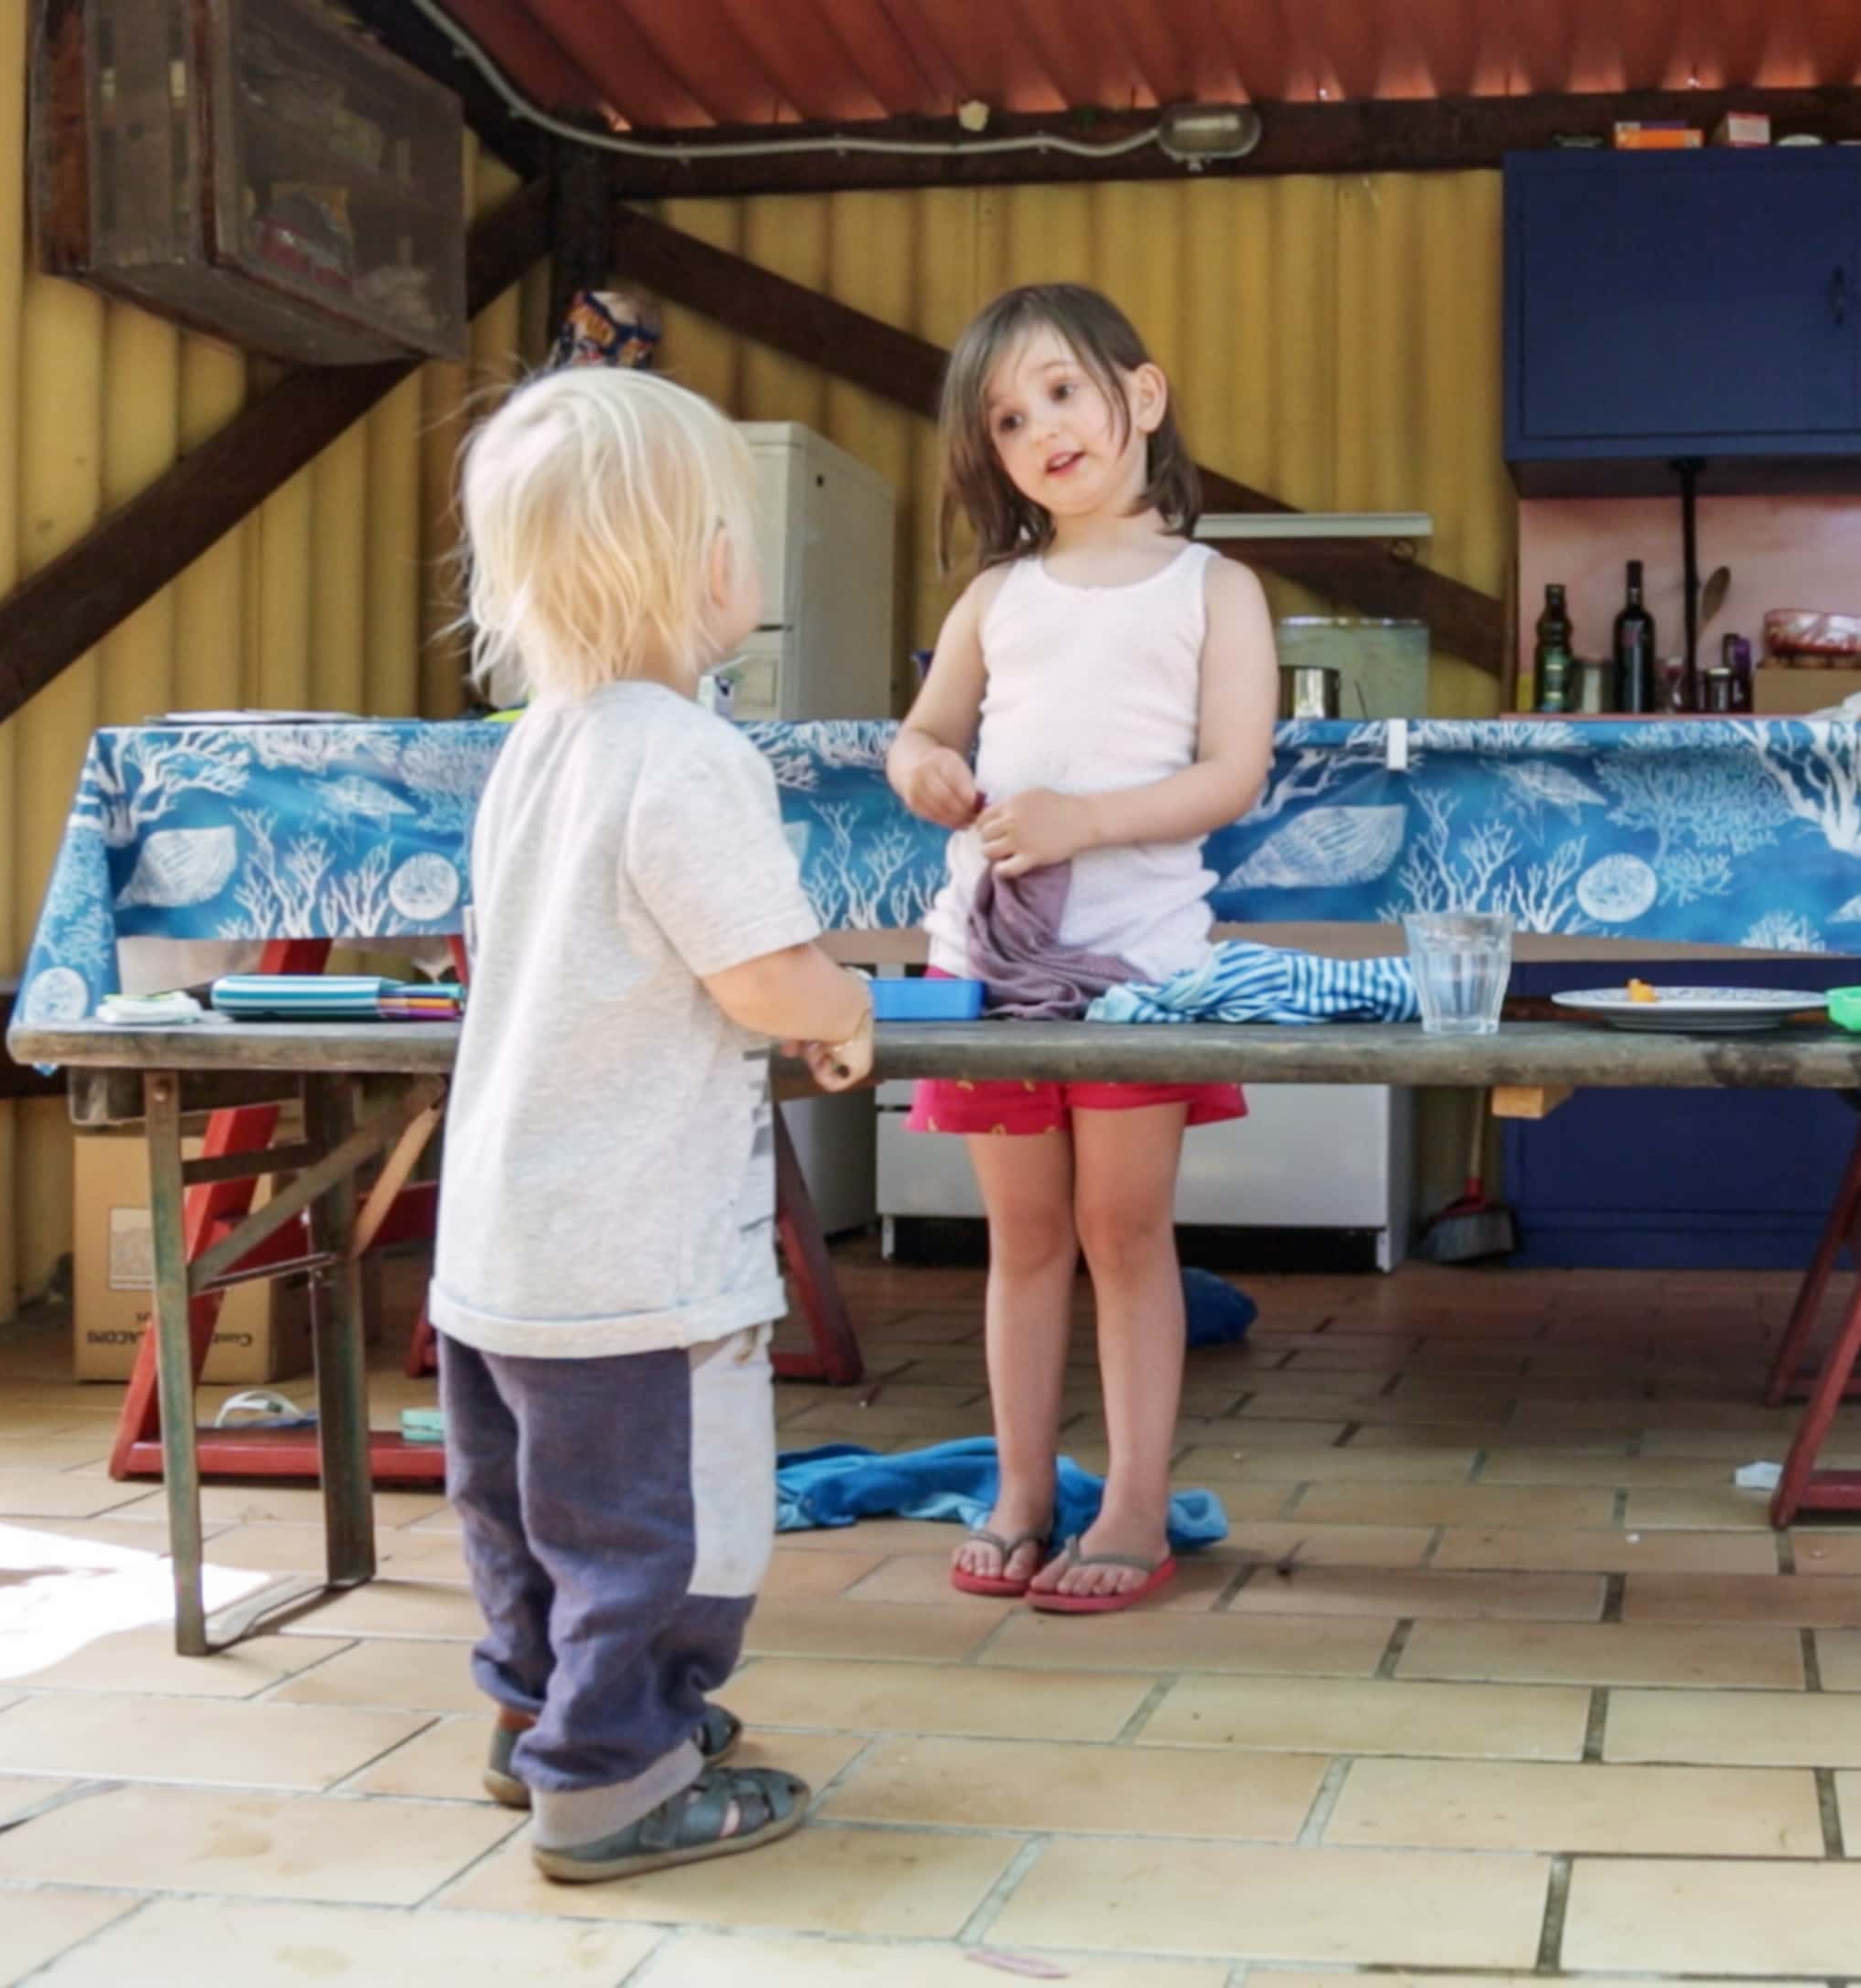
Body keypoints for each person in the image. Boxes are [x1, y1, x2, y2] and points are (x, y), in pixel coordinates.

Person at [433, 365, 878, 1883]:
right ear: (703, 565)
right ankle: (613, 1773)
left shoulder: (531, 748)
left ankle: (534, 1719)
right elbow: (761, 976)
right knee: (658, 1532)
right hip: (634, 1254)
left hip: (501, 1238)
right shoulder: (687, 755)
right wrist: (846, 1010)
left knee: (526, 1517)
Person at [887, 283, 1276, 1614]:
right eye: (1007, 417)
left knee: (1124, 1231)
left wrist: (1083, 823)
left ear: (1143, 397)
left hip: (1135, 966)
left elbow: (1232, 772)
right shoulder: (998, 593)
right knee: (1026, 1238)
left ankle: (1131, 1499)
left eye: (1062, 390)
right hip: (987, 963)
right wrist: (926, 770)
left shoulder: (1216, 588)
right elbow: (922, 731)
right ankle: (1019, 1488)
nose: (1040, 427)